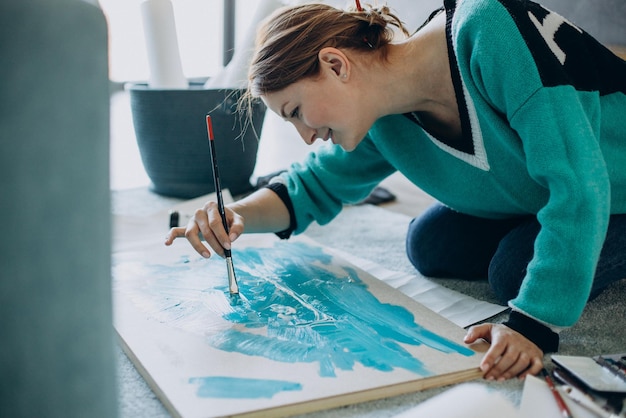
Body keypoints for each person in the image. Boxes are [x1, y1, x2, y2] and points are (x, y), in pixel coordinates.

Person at [166, 0, 626, 381]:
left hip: (605, 180)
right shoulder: (381, 114)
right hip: (546, 189)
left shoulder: (489, 29)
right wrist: (235, 216)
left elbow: (579, 184)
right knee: (430, 243)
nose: (306, 135)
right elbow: (311, 186)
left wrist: (535, 323)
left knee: (515, 274)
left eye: (297, 111)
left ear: (335, 64)